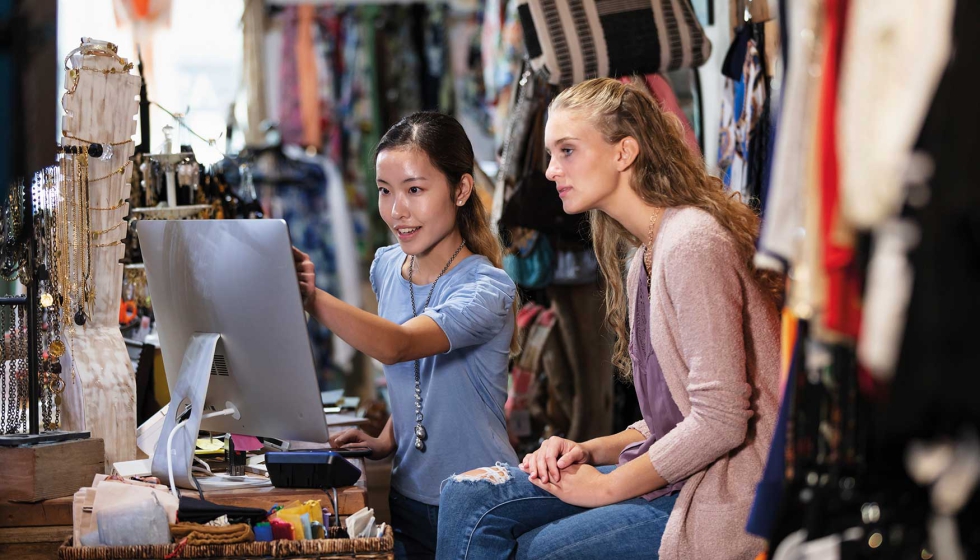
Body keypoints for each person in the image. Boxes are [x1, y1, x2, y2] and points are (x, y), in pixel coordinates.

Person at [436, 77, 782, 560]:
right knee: (466, 495)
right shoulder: (644, 254)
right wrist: (587, 449)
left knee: (540, 550)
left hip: (726, 488)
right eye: (550, 155)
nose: (553, 171)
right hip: (685, 472)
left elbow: (721, 421)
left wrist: (606, 486)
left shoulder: (692, 243)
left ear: (624, 153)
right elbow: (675, 417)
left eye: (567, 151)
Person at [294, 111, 519, 559]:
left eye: (415, 190)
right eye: (384, 191)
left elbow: (400, 345)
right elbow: (421, 376)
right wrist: (388, 439)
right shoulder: (386, 267)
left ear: (461, 189)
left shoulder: (487, 288)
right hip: (408, 494)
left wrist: (309, 297)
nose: (397, 210)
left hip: (482, 502)